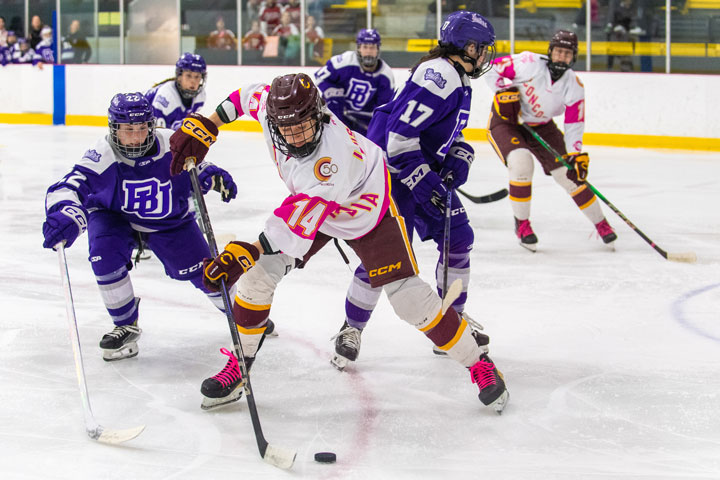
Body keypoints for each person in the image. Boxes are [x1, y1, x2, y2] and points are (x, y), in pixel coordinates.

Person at [166, 73, 509, 413]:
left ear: (318, 114)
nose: (295, 137)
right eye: (286, 129)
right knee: (257, 277)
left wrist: (248, 251)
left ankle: (479, 364)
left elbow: (293, 222)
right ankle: (239, 366)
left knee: (408, 298)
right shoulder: (274, 110)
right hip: (313, 205)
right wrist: (208, 123)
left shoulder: (332, 160)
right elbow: (243, 97)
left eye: (303, 127)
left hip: (367, 209)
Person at [335, 11, 496, 365]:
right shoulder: (440, 76)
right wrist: (425, 180)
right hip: (390, 178)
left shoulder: (455, 76)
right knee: (387, 257)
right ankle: (351, 327)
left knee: (458, 239)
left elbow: (433, 131)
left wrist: (458, 152)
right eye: (482, 48)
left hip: (416, 171)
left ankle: (451, 322)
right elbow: (399, 139)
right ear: (467, 47)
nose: (486, 56)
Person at [42, 93, 239, 361]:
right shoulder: (101, 154)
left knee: (204, 272)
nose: (136, 137)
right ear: (114, 129)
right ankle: (125, 324)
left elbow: (198, 163)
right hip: (114, 216)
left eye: (141, 128)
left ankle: (241, 313)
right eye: (127, 130)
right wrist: (66, 212)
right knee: (104, 255)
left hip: (169, 221)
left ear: (151, 125)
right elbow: (68, 186)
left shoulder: (172, 141)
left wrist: (210, 175)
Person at [484, 30, 617, 252]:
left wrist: (575, 154)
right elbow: (492, 67)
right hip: (507, 122)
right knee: (521, 162)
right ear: (550, 52)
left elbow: (574, 122)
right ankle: (522, 225)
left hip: (542, 126)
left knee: (569, 174)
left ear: (573, 57)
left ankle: (601, 223)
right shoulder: (528, 63)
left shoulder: (574, 85)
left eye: (567, 53)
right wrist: (503, 91)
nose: (561, 56)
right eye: (558, 51)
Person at [314, 28, 394, 136]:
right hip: (337, 113)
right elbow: (320, 76)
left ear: (378, 49)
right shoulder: (345, 61)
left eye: (372, 47)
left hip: (364, 122)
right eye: (365, 47)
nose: (369, 51)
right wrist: (333, 93)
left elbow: (383, 109)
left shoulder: (386, 75)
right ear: (358, 48)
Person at [144, 53, 207, 131]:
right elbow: (158, 133)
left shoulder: (200, 96)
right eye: (188, 75)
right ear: (179, 76)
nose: (193, 81)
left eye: (197, 76)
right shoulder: (166, 96)